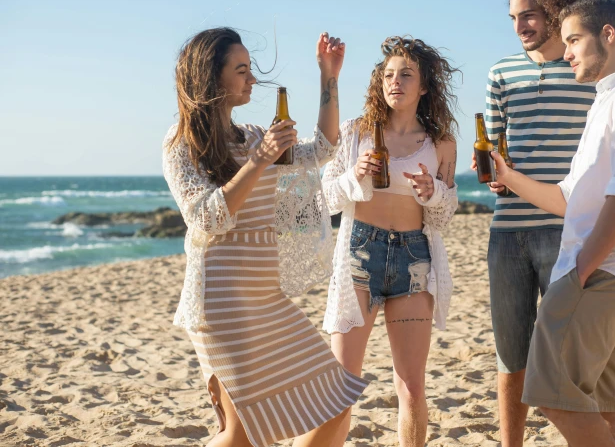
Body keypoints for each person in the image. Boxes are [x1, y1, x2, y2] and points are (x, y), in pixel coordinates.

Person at [485, 0, 615, 447]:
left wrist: (580, 273)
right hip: (597, 267)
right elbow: (569, 198)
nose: (565, 51)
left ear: (607, 35)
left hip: (603, 270)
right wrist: (508, 176)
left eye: (574, 39)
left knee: (553, 394)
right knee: (600, 401)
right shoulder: (605, 103)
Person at [162, 28, 368, 447]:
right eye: (241, 70)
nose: (251, 79)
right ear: (210, 77)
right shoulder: (182, 143)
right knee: (240, 436)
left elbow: (322, 150)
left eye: (250, 70)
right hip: (219, 301)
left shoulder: (255, 135)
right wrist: (259, 161)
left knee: (335, 400)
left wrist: (329, 77)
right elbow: (206, 217)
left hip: (266, 296)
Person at [318, 36, 460, 447]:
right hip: (360, 254)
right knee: (341, 388)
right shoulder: (356, 132)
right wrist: (355, 174)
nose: (395, 81)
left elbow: (444, 215)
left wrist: (432, 191)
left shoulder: (442, 144)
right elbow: (328, 197)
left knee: (412, 388)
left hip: (415, 259)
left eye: (406, 75)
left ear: (425, 86)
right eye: (388, 75)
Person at [482, 0, 595, 445]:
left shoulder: (583, 68)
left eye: (527, 15)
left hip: (567, 229)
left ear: (552, 10)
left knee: (573, 356)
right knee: (512, 357)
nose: (520, 26)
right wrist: (491, 175)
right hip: (507, 232)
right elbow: (496, 148)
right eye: (512, 18)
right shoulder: (500, 73)